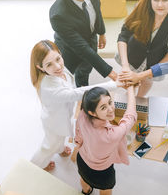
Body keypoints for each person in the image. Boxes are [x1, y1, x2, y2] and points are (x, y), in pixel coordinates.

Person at [30, 40, 122, 171]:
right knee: (48, 146)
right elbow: (75, 93)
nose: (57, 67)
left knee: (60, 139)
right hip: (54, 122)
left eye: (58, 59)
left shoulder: (60, 71)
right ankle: (36, 166)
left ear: (60, 54)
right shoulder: (49, 87)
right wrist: (114, 84)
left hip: (63, 116)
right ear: (40, 67)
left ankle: (60, 149)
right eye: (49, 64)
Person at [49, 0, 117, 87]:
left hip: (91, 40)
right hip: (70, 48)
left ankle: (83, 90)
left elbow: (98, 11)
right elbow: (81, 47)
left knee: (84, 71)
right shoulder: (57, 14)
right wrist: (110, 73)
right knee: (67, 75)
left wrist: (101, 33)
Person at [116, 0, 168, 96]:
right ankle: (130, 97)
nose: (160, 5)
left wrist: (156, 68)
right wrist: (125, 66)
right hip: (132, 56)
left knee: (147, 82)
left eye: (165, 0)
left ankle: (139, 97)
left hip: (155, 61)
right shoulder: (140, 9)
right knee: (127, 83)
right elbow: (123, 36)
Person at [75, 85, 136, 195]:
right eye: (103, 107)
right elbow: (130, 117)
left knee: (84, 180)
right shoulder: (111, 135)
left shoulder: (83, 114)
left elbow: (78, 133)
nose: (110, 109)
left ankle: (85, 192)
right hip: (102, 172)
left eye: (110, 102)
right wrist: (131, 90)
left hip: (82, 161)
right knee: (106, 191)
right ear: (92, 113)